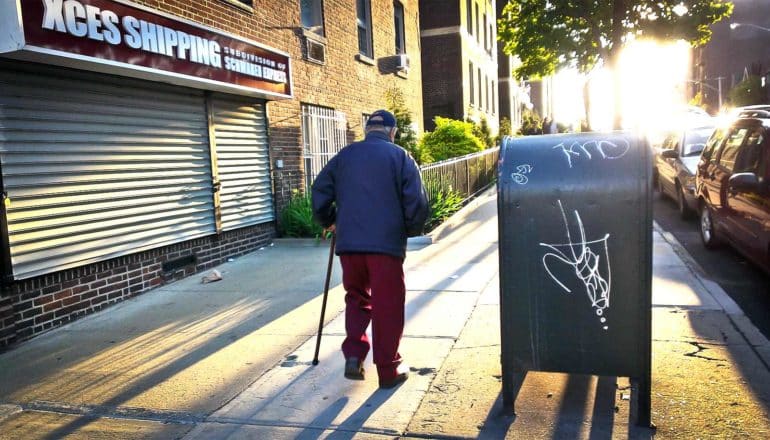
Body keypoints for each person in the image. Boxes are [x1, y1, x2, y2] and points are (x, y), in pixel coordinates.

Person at [311, 109, 429, 389]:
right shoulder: (400, 156)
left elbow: (319, 192)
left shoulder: (344, 156)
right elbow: (417, 204)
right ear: (392, 131)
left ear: (367, 131)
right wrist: (409, 229)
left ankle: (354, 354)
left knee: (356, 297)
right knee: (387, 305)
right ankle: (388, 370)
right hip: (385, 246)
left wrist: (329, 221)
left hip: (350, 245)